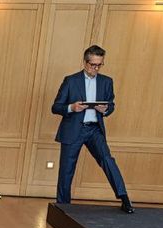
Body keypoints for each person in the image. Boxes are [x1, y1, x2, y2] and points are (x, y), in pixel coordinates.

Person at [52, 45, 134, 213]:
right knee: (66, 170)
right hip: (73, 129)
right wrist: (71, 107)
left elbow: (111, 105)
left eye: (99, 65)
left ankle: (124, 198)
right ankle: (63, 207)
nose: (96, 68)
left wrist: (106, 109)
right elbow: (56, 107)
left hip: (94, 130)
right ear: (85, 62)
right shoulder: (71, 81)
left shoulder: (107, 82)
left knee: (108, 160)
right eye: (93, 65)